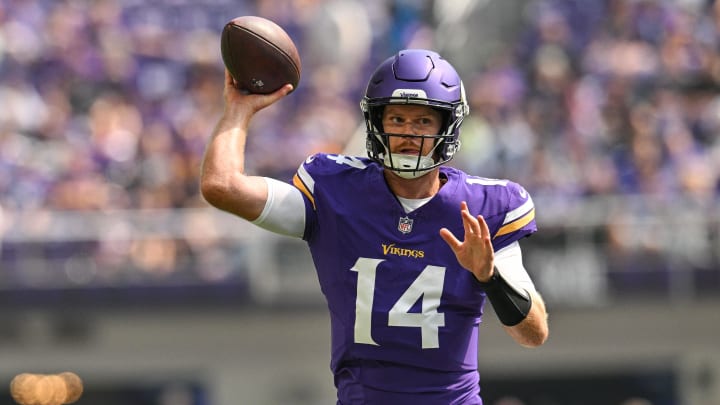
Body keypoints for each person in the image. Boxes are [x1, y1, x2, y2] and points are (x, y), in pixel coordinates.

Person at [201, 49, 549, 404]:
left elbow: (533, 333)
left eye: (423, 122)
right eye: (396, 119)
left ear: (448, 127)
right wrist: (239, 109)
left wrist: (490, 278)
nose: (408, 133)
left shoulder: (482, 210)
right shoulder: (335, 191)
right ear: (377, 121)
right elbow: (222, 186)